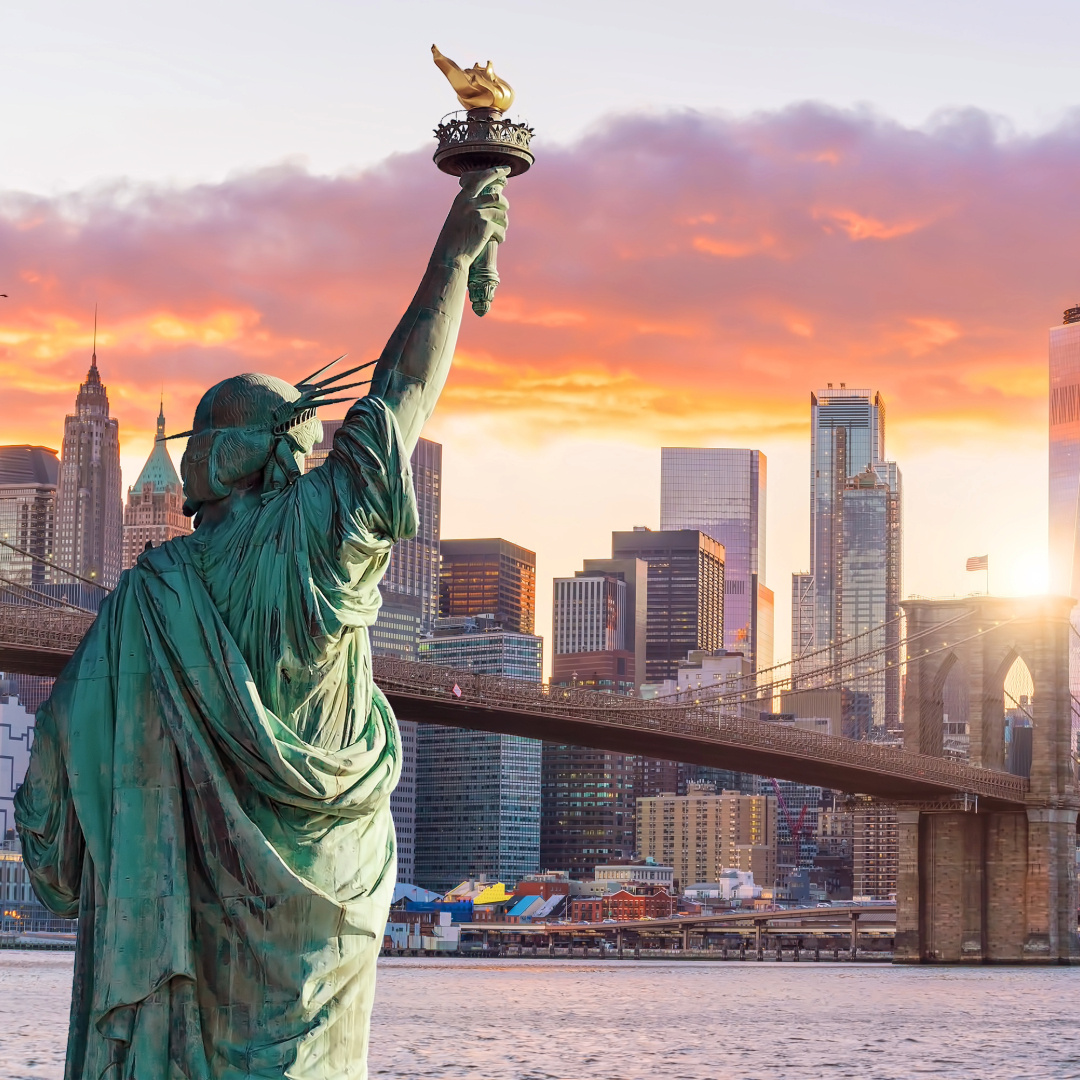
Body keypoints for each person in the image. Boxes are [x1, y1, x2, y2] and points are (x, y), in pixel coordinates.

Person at [15, 167, 509, 1080]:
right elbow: (398, 398)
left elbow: (47, 806)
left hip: (187, 963)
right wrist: (453, 252)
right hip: (323, 934)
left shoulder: (147, 601)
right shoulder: (323, 540)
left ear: (214, 461)